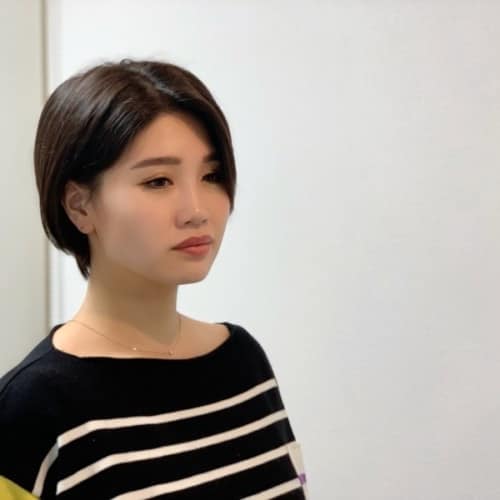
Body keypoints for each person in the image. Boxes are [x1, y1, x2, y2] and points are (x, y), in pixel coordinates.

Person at [0, 58, 307, 499]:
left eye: (212, 175)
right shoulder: (29, 408)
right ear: (80, 206)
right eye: (159, 181)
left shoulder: (243, 361)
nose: (196, 210)